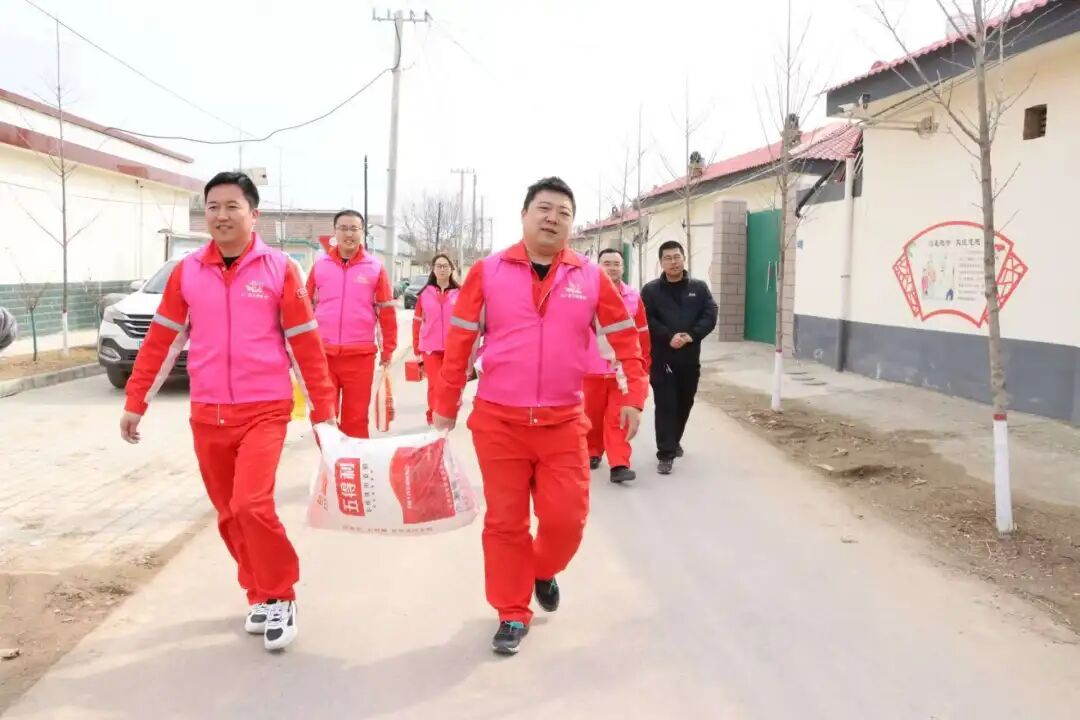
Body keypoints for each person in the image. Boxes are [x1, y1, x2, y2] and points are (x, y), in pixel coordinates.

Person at [120, 171, 337, 652]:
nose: (221, 215)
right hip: (208, 413)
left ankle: (281, 595)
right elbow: (161, 341)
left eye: (232, 206)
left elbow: (305, 345)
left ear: (253, 214)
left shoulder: (279, 269)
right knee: (227, 514)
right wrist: (137, 401)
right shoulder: (187, 272)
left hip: (265, 409)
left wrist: (324, 414)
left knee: (251, 505)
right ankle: (258, 593)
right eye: (212, 206)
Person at [433, 177, 648, 656]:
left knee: (567, 519)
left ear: (572, 224)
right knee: (505, 523)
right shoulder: (488, 272)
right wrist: (445, 405)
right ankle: (511, 611)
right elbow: (460, 342)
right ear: (525, 215)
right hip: (499, 423)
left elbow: (626, 338)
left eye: (563, 212)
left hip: (563, 422)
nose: (552, 218)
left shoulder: (590, 277)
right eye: (544, 209)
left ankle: (541, 569)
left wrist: (634, 394)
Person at [305, 210, 398, 439]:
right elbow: (305, 310)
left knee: (355, 419)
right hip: (323, 356)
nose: (349, 234)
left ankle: (353, 461)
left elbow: (386, 312)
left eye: (354, 229)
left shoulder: (375, 268)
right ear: (335, 232)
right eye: (344, 228)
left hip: (360, 357)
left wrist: (388, 350)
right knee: (323, 417)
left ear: (362, 232)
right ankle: (331, 459)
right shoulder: (320, 266)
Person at [640, 240, 718, 475]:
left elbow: (710, 314)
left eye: (677, 257)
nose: (673, 262)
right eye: (668, 258)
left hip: (689, 358)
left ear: (684, 258)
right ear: (661, 262)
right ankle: (665, 453)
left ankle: (673, 440)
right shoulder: (651, 291)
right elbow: (645, 318)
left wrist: (691, 335)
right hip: (662, 358)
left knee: (685, 402)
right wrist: (668, 336)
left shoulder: (699, 288)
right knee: (665, 404)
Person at [583, 248, 651, 484]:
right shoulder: (584, 294)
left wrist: (643, 365)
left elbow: (641, 333)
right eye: (606, 263)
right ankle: (592, 451)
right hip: (589, 368)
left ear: (623, 268)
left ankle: (619, 463)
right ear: (597, 266)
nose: (611, 268)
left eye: (616, 264)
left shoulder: (633, 297)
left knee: (619, 416)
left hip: (621, 370)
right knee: (591, 416)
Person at [411, 253, 461, 426]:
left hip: (453, 348)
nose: (442, 269)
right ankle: (433, 415)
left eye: (445, 266)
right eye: (438, 266)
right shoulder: (424, 294)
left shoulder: (460, 294)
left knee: (450, 385)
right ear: (433, 269)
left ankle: (448, 414)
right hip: (430, 348)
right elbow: (417, 322)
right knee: (435, 383)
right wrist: (416, 348)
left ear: (451, 269)